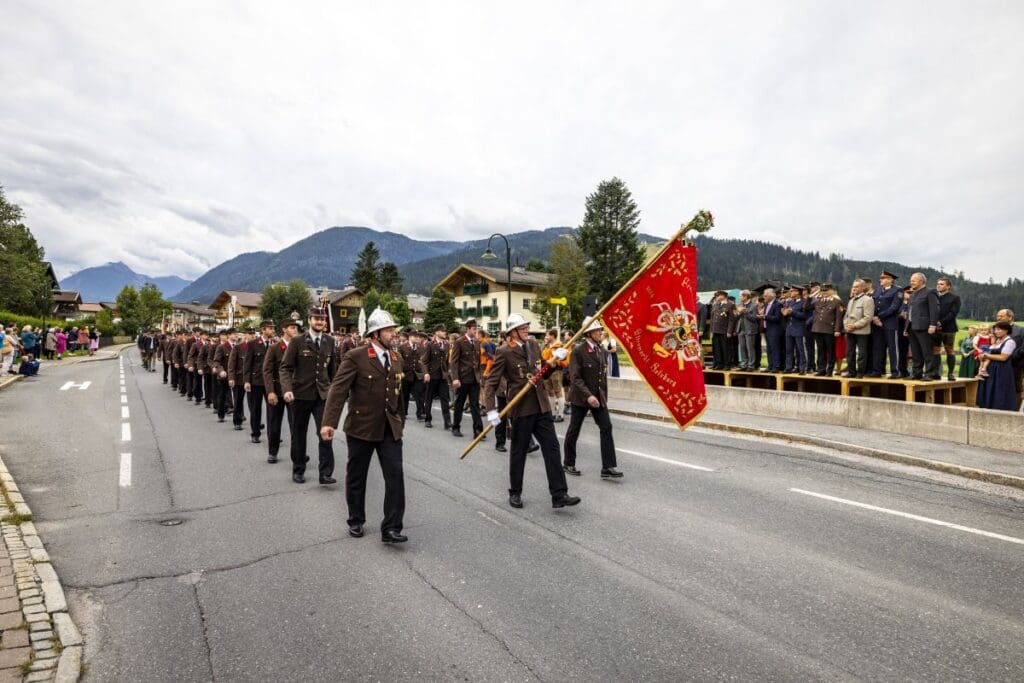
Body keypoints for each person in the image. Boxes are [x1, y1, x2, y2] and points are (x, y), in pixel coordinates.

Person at [321, 308, 408, 544]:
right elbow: (338, 390)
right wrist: (329, 423)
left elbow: (398, 394)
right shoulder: (356, 357)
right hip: (361, 426)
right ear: (375, 334)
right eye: (389, 330)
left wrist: (400, 421)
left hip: (390, 427)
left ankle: (391, 527)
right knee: (357, 476)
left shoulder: (396, 357)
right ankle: (356, 519)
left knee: (395, 476)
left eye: (393, 329)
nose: (394, 334)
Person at [483, 314, 581, 510]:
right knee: (519, 452)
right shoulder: (504, 352)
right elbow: (491, 383)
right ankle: (515, 492)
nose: (527, 330)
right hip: (521, 409)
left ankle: (559, 494)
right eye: (522, 328)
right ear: (512, 332)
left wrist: (555, 362)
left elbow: (542, 372)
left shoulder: (534, 346)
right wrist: (491, 410)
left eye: (527, 327)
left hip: (541, 405)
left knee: (552, 449)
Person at [280, 307, 336, 485]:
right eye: (316, 319)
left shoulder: (330, 341)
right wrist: (287, 389)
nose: (320, 322)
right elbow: (285, 368)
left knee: (326, 433)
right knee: (299, 434)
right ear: (309, 320)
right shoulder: (297, 341)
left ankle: (325, 473)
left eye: (322, 319)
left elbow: (333, 370)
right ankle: (298, 469)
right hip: (301, 395)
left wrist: (334, 392)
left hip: (322, 396)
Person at [563, 320, 623, 479]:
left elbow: (601, 376)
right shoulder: (578, 351)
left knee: (606, 427)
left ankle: (608, 466)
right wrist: (588, 395)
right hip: (581, 398)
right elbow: (575, 378)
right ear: (588, 333)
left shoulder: (602, 350)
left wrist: (601, 396)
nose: (600, 333)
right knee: (574, 429)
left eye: (600, 330)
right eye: (597, 331)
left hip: (598, 397)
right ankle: (568, 462)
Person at [264, 318, 300, 464]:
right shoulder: (274, 348)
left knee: (296, 426)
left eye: (296, 328)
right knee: (274, 423)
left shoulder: (300, 346)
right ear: (284, 329)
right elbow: (267, 371)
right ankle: (273, 452)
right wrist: (270, 392)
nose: (295, 330)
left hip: (295, 392)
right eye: (292, 328)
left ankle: (298, 454)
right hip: (277, 391)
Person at [450, 319, 484, 438]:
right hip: (463, 378)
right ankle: (456, 427)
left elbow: (478, 361)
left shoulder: (477, 342)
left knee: (475, 404)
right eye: (474, 329)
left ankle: (478, 430)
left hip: (474, 379)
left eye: (476, 329)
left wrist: (480, 376)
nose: (476, 331)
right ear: (468, 329)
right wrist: (455, 378)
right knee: (459, 404)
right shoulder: (459, 342)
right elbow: (454, 361)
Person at [242, 320, 274, 444]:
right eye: (270, 328)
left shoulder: (274, 344)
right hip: (256, 381)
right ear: (263, 330)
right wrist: (246, 381)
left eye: (272, 328)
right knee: (256, 409)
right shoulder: (253, 344)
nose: (272, 330)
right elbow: (247, 364)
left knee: (273, 410)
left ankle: (273, 435)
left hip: (270, 382)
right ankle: (255, 433)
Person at [976, 322, 1018, 411]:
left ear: (1006, 330)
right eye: (995, 329)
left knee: (999, 390)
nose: (996, 331)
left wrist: (986, 356)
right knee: (989, 390)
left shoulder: (1010, 342)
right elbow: (987, 353)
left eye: (999, 329)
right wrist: (982, 358)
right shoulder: (996, 340)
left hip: (1001, 370)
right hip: (990, 369)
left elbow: (1003, 357)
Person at [906, 272, 940, 381]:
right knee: (916, 352)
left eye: (914, 280)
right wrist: (906, 328)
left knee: (927, 352)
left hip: (924, 327)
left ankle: (930, 373)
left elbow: (934, 310)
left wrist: (933, 325)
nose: (911, 282)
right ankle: (917, 373)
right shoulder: (913, 295)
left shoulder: (930, 292)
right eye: (911, 280)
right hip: (912, 327)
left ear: (922, 281)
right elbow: (909, 312)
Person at [870, 271, 903, 378]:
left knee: (892, 348)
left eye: (883, 278)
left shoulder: (898, 290)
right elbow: (873, 304)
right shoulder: (878, 290)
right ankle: (877, 371)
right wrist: (874, 317)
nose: (881, 280)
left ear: (890, 280)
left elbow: (894, 307)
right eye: (881, 278)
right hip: (876, 324)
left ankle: (895, 372)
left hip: (890, 323)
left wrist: (879, 317)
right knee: (877, 347)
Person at [419, 324, 452, 430]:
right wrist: (426, 373)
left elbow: (446, 362)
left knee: (445, 399)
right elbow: (424, 361)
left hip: (442, 376)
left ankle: (447, 422)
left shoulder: (447, 345)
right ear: (437, 332)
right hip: (432, 375)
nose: (445, 333)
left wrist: (447, 373)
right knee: (428, 398)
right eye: (442, 331)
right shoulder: (430, 344)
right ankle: (428, 419)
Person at [842, 279, 874, 377]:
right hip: (850, 331)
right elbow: (846, 316)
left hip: (862, 331)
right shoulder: (851, 300)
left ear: (863, 288)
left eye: (856, 287)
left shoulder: (868, 300)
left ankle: (860, 372)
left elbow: (868, 317)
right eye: (853, 286)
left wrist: (855, 325)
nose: (854, 289)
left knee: (862, 354)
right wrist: (846, 325)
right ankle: (851, 372)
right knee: (849, 352)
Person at [933, 277, 961, 381]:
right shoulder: (934, 297)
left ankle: (950, 374)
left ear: (948, 286)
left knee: (949, 350)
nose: (938, 285)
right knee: (935, 350)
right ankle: (936, 373)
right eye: (938, 283)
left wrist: (941, 322)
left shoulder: (954, 297)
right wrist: (933, 323)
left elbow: (953, 313)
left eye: (941, 284)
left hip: (949, 329)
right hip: (935, 328)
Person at [811, 284, 843, 376]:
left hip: (829, 329)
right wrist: (812, 296)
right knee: (821, 350)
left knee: (830, 351)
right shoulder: (818, 300)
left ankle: (829, 370)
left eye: (826, 291)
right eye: (823, 291)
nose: (824, 292)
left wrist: (837, 330)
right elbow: (806, 307)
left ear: (831, 291)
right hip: (818, 329)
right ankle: (821, 370)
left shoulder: (837, 302)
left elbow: (839, 317)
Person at [994, 309, 1024, 407]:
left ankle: (1014, 410)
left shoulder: (1020, 330)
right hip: (998, 364)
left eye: (1001, 316)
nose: (998, 318)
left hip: (1015, 364)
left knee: (1015, 387)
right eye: (998, 316)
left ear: (1010, 317)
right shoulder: (995, 330)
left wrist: (1013, 356)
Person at [541, 329, 569, 421]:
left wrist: (557, 361)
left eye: (547, 335)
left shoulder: (559, 346)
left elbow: (565, 361)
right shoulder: (546, 346)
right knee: (549, 392)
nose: (546, 337)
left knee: (558, 391)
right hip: (546, 371)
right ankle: (552, 413)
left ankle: (560, 415)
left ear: (553, 336)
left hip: (556, 371)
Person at [782, 286, 810, 374]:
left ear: (798, 292)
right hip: (789, 328)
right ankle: (788, 367)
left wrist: (792, 312)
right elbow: (786, 312)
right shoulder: (789, 302)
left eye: (792, 291)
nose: (790, 292)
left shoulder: (804, 302)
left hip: (799, 329)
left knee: (800, 349)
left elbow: (805, 316)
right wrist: (785, 313)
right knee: (789, 350)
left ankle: (802, 368)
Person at [708, 290, 735, 370]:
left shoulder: (730, 305)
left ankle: (727, 364)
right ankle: (719, 364)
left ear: (723, 296)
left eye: (718, 295)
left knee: (725, 348)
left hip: (724, 330)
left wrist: (729, 331)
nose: (717, 297)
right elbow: (712, 319)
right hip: (715, 330)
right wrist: (711, 330)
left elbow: (731, 320)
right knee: (717, 348)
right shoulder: (716, 305)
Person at [761, 288, 785, 373]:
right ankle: (770, 366)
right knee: (769, 349)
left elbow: (777, 318)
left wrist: (765, 317)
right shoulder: (766, 304)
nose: (764, 297)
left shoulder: (778, 304)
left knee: (775, 348)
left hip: (775, 330)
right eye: (764, 295)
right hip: (767, 329)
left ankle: (776, 366)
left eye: (765, 295)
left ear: (771, 295)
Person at [735, 290, 759, 370]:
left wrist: (745, 312)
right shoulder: (739, 305)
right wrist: (739, 313)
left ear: (745, 296)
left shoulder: (754, 305)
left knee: (750, 348)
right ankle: (744, 364)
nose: (740, 298)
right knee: (742, 347)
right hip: (741, 329)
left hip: (750, 329)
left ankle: (751, 365)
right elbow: (736, 317)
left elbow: (754, 319)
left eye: (741, 296)